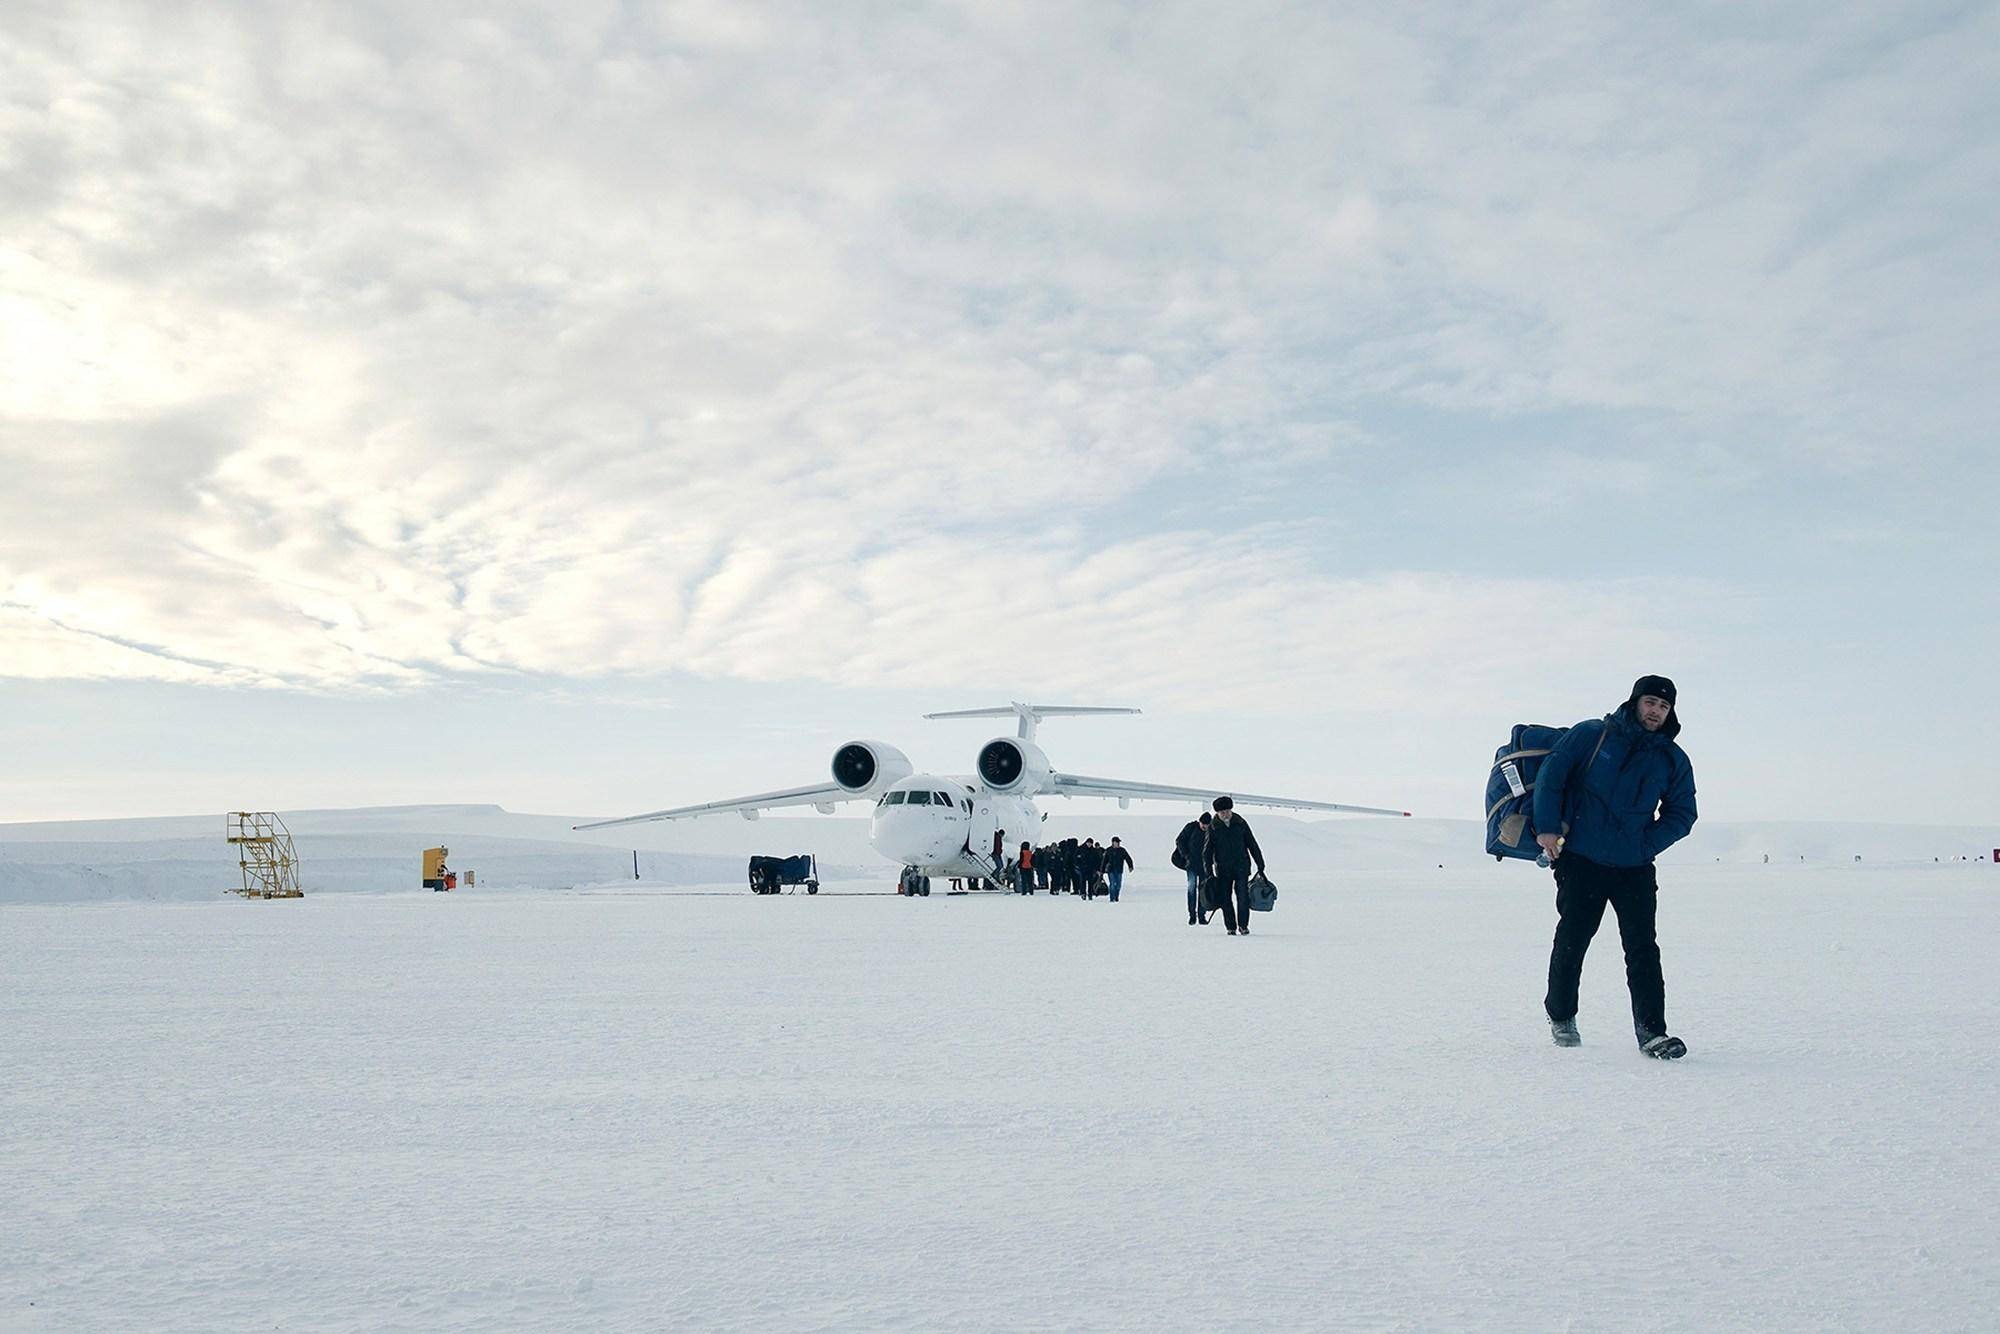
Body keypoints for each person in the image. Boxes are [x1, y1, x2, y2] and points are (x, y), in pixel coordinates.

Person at [1534, 675, 1698, 1059]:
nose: (1656, 711)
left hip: (1634, 868)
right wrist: (1545, 828)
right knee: (1574, 938)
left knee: (1642, 948)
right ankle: (1561, 1016)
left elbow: (1683, 813)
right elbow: (1551, 778)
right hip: (1582, 860)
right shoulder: (1592, 735)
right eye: (1650, 703)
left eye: (1664, 706)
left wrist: (1644, 845)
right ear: (1635, 701)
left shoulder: (1672, 759)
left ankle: (1652, 1033)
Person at [1202, 796, 1265, 935]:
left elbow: (1252, 844)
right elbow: (1207, 851)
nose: (1225, 814)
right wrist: (1209, 872)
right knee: (1225, 898)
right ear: (1217, 813)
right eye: (1222, 812)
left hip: (1241, 866)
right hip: (1223, 869)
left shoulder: (1240, 823)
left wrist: (1260, 864)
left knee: (1243, 896)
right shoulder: (1213, 827)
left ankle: (1243, 925)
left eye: (1227, 811)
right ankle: (1230, 927)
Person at [1176, 812, 1212, 924]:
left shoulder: (1211, 832)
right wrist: (1186, 855)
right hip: (1191, 865)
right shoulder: (1191, 827)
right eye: (1203, 824)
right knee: (1191, 888)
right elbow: (1179, 840)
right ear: (1199, 822)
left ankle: (1201, 915)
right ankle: (1192, 915)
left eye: (1206, 825)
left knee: (1203, 891)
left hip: (1204, 866)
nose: (1204, 827)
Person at [1102, 836, 1133, 902]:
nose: (1118, 843)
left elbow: (1128, 858)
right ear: (1113, 842)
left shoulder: (1122, 850)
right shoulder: (1108, 850)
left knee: (1118, 885)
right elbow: (1104, 861)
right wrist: (1102, 870)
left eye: (1119, 842)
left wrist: (1130, 866)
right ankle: (1112, 898)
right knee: (1112, 884)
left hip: (1119, 870)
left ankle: (1116, 897)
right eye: (1117, 842)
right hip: (1111, 870)